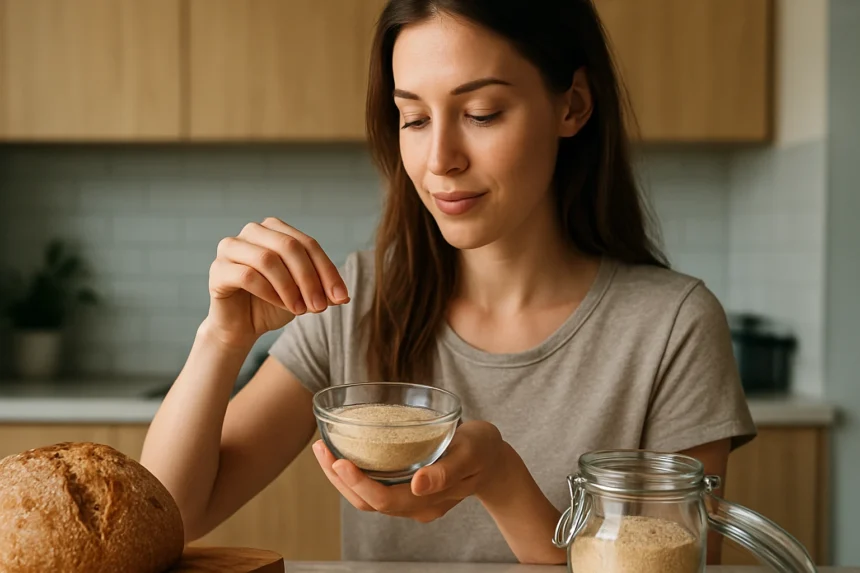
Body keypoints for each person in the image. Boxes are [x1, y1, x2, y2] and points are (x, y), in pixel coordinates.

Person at [141, 0, 756, 565]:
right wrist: (220, 338)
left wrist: (502, 481)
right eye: (412, 117)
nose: (440, 160)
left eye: (481, 113)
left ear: (572, 105)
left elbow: (676, 564)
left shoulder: (672, 326)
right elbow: (170, 519)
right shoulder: (358, 300)